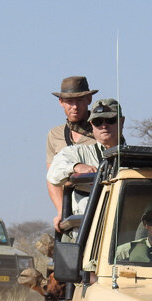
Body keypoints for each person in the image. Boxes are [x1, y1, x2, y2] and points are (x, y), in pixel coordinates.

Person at [47, 98, 125, 230]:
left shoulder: (138, 157)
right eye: (98, 122)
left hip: (124, 230)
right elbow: (53, 174)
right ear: (91, 124)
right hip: (87, 234)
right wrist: (75, 167)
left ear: (121, 121)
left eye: (110, 120)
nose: (104, 126)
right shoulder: (77, 153)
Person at [46, 76, 98, 228]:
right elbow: (52, 179)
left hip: (98, 205)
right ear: (61, 102)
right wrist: (61, 211)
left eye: (80, 100)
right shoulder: (55, 135)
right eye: (69, 101)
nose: (74, 106)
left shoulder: (103, 130)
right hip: (70, 211)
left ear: (89, 99)